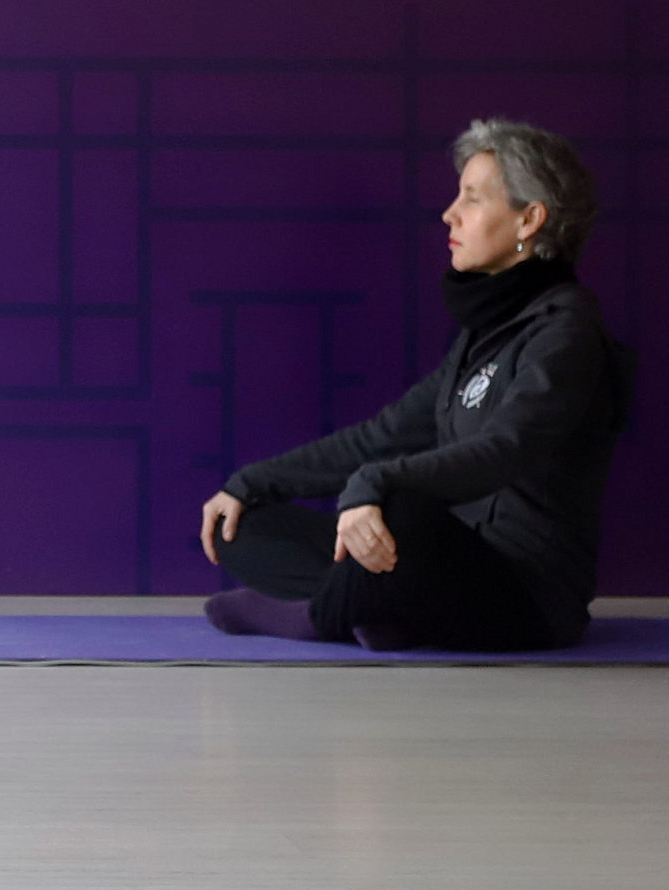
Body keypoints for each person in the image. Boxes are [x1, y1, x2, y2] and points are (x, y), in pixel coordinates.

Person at [196, 117, 632, 653]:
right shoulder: (485, 334)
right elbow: (381, 435)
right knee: (241, 526)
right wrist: (250, 483)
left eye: (472, 198)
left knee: (400, 509)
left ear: (529, 220)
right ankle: (383, 612)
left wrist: (375, 485)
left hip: (526, 599)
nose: (450, 213)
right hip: (444, 570)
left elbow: (503, 451)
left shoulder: (567, 334)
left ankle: (317, 616)